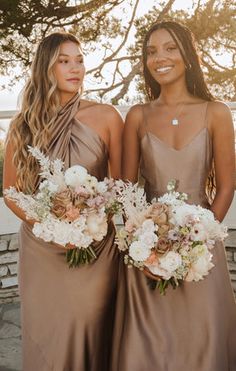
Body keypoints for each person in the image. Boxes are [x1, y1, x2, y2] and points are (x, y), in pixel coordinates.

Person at [111, 21, 236, 371]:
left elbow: (226, 186)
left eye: (169, 48)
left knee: (201, 339)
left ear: (187, 55)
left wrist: (196, 243)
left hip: (201, 248)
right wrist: (145, 248)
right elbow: (127, 189)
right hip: (147, 251)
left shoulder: (217, 112)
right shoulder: (137, 115)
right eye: (151, 51)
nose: (159, 58)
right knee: (150, 346)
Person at [3, 32, 123, 371]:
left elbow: (122, 185)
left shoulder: (107, 116)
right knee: (48, 337)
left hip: (96, 250)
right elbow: (12, 192)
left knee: (91, 328)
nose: (76, 68)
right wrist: (53, 226)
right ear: (46, 68)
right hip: (43, 248)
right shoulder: (23, 125)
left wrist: (89, 225)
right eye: (64, 60)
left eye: (80, 59)